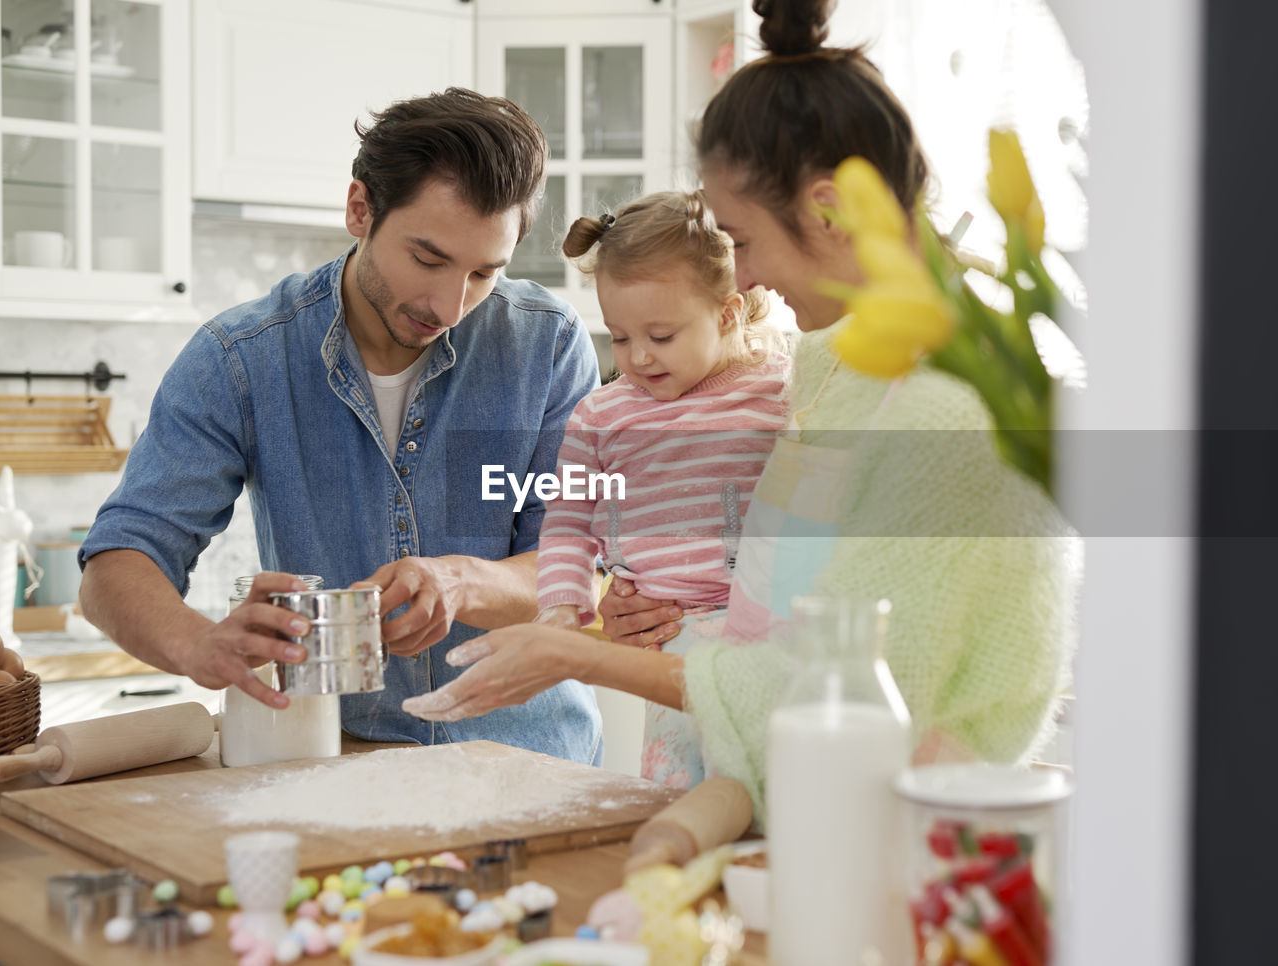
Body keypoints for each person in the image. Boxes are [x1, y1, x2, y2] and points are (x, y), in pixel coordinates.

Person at [400, 1, 1080, 820]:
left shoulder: (949, 415)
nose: (746, 282)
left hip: (910, 834)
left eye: (743, 240)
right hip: (798, 807)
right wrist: (625, 605)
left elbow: (833, 693)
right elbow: (766, 600)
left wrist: (579, 655)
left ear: (827, 210)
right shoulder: (837, 363)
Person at [77, 88, 604, 765]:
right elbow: (119, 560)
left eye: (483, 273)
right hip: (338, 760)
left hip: (534, 762)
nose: (450, 305)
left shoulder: (549, 345)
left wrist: (460, 582)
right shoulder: (241, 358)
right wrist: (195, 642)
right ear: (360, 209)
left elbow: (580, 570)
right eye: (429, 258)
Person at [525, 191, 789, 787]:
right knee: (674, 793)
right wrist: (562, 609)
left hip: (763, 647)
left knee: (760, 800)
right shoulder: (599, 415)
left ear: (727, 313)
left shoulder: (779, 391)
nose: (638, 357)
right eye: (619, 337)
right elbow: (567, 521)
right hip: (664, 649)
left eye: (662, 336)